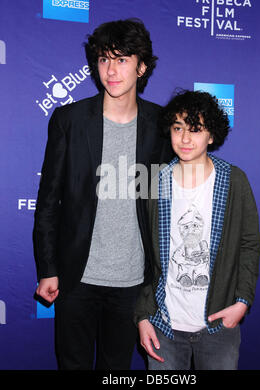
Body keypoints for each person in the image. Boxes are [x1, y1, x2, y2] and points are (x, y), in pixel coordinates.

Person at [33, 18, 173, 370]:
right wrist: (48, 269)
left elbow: (166, 204)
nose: (111, 70)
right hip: (76, 277)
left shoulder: (160, 125)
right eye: (104, 59)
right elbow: (49, 200)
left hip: (133, 283)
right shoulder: (70, 120)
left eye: (122, 59)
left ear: (142, 67)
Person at [134, 90, 260, 370]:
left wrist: (242, 301)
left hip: (218, 326)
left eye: (196, 129)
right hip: (163, 326)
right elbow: (140, 251)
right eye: (178, 128)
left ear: (211, 135)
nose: (185, 138)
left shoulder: (234, 180)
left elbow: (249, 244)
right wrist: (142, 316)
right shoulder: (154, 180)